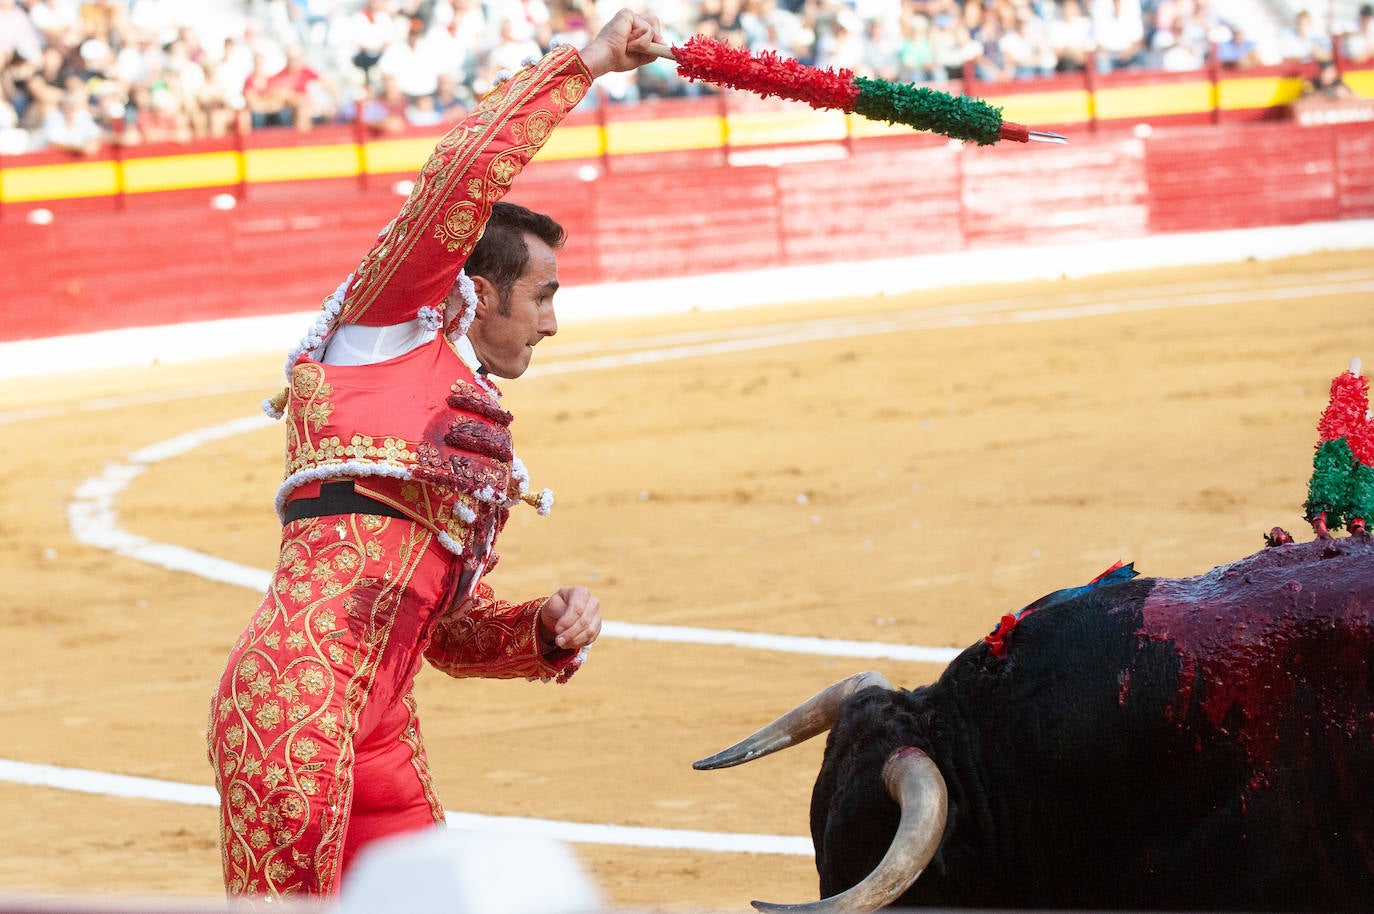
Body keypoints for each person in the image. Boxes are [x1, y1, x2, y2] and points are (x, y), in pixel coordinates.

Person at [205, 7, 664, 900]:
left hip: (380, 728)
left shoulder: (468, 415)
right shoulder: (381, 336)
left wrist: (539, 629)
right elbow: (459, 175)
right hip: (293, 709)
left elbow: (447, 631)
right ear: (478, 289)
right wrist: (587, 62)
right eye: (542, 295)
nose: (553, 320)